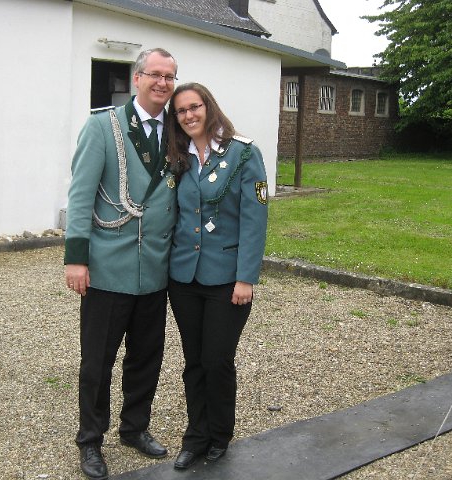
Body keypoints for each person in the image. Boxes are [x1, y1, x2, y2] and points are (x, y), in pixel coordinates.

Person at [64, 48, 179, 480]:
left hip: (155, 270)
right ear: (137, 78)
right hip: (109, 268)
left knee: (146, 357)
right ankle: (90, 440)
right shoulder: (102, 126)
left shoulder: (176, 130)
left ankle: (134, 428)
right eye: (155, 74)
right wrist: (76, 259)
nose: (162, 83)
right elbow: (80, 197)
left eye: (169, 76)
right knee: (98, 362)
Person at [165, 83, 268, 469]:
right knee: (193, 360)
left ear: (209, 107)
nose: (188, 115)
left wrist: (247, 277)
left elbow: (255, 219)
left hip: (227, 279)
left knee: (217, 360)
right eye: (181, 111)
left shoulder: (244, 153)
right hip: (184, 278)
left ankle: (220, 433)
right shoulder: (178, 156)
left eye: (194, 107)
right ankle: (195, 436)